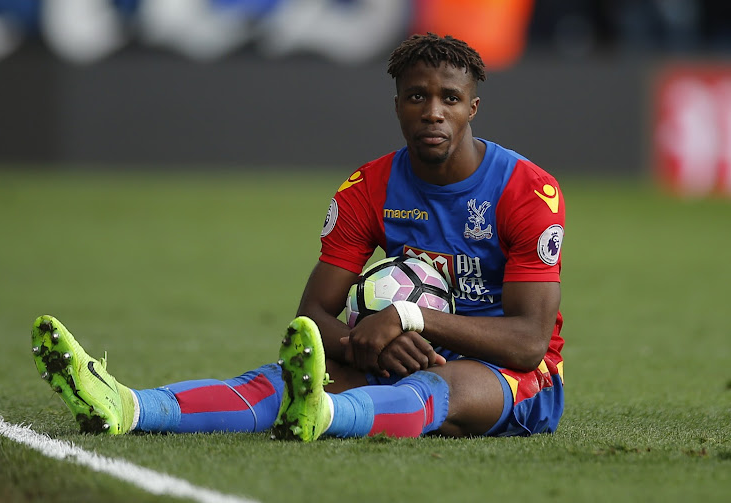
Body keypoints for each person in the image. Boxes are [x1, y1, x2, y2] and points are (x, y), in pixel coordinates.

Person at [31, 33, 565, 441]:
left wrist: (406, 318)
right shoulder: (368, 188)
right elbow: (311, 318)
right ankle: (128, 405)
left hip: (514, 377)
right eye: (417, 96)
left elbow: (528, 342)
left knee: (436, 388)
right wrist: (368, 343)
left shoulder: (526, 190)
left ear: (472, 107)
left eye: (450, 98)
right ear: (397, 104)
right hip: (404, 347)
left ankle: (326, 414)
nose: (433, 112)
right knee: (291, 375)